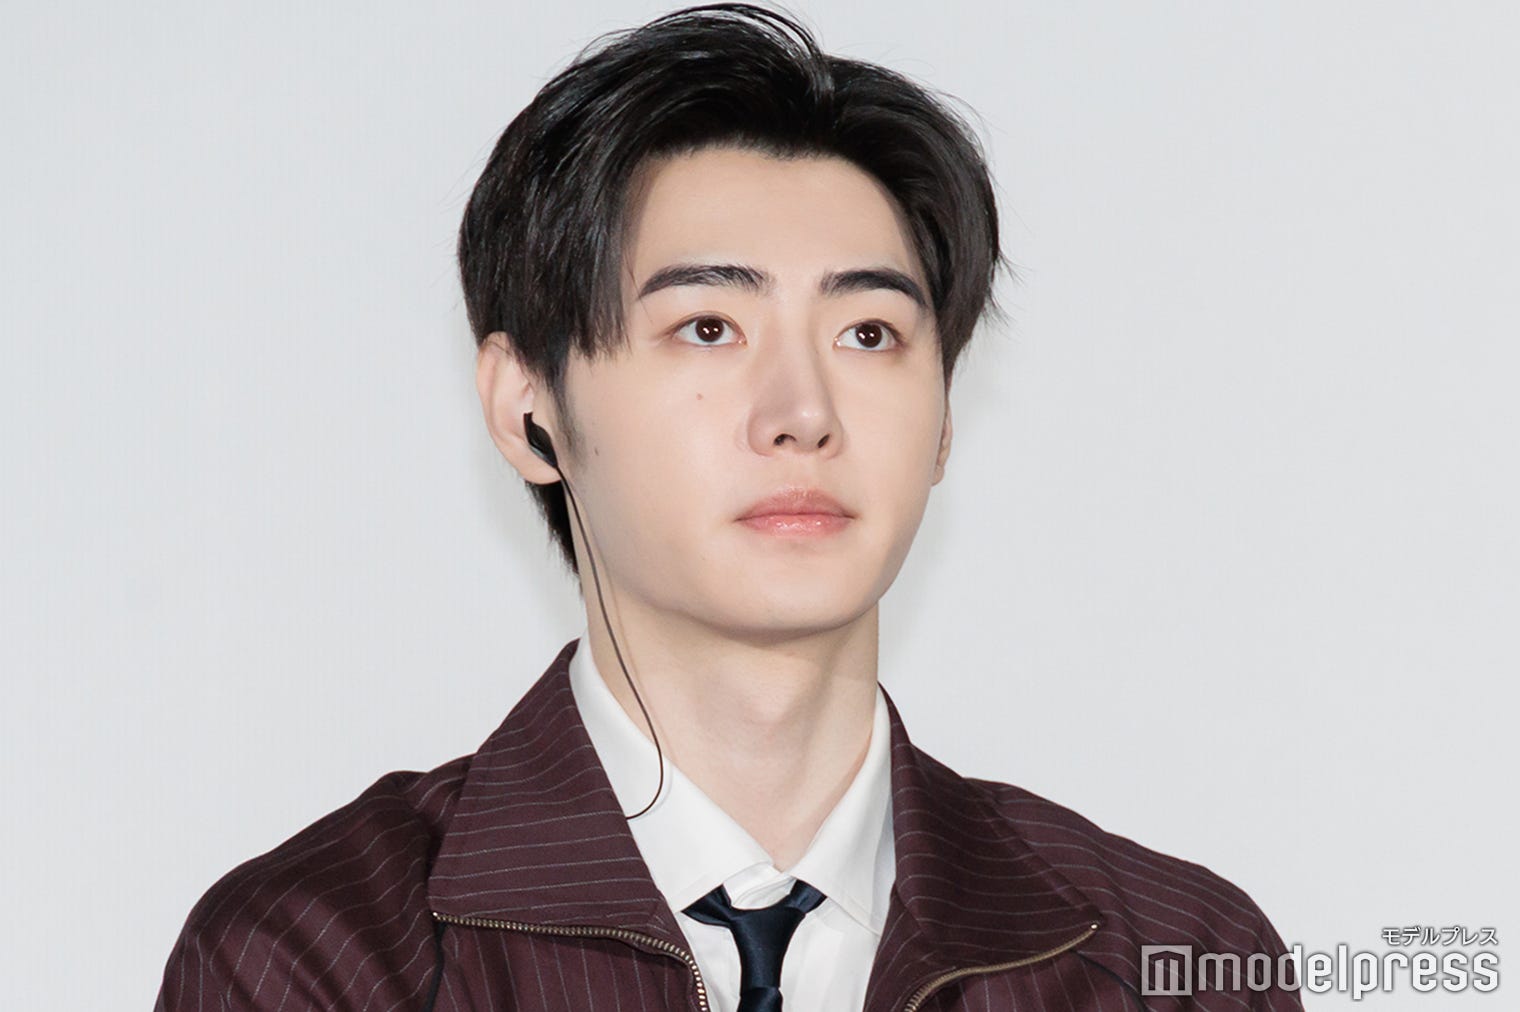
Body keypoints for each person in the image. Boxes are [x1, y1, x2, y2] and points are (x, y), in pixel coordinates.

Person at [155, 4, 1303, 1010]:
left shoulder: (1174, 962)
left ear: (944, 418)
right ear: (526, 407)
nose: (802, 414)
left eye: (868, 334)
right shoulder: (323, 955)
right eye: (708, 327)